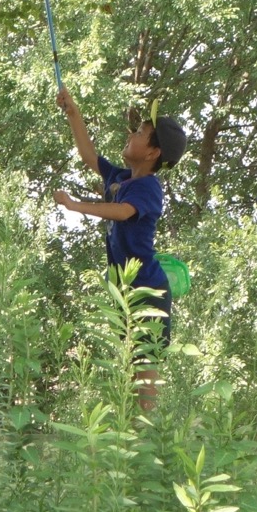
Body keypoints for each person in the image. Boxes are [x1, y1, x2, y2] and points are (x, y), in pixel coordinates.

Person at [54, 87, 187, 412]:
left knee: (145, 365)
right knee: (130, 362)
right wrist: (74, 112)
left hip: (147, 288)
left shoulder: (148, 187)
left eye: (141, 132)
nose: (132, 133)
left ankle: (148, 433)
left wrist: (76, 205)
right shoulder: (122, 178)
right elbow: (89, 156)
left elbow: (124, 211)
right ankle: (134, 433)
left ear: (153, 152)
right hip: (124, 287)